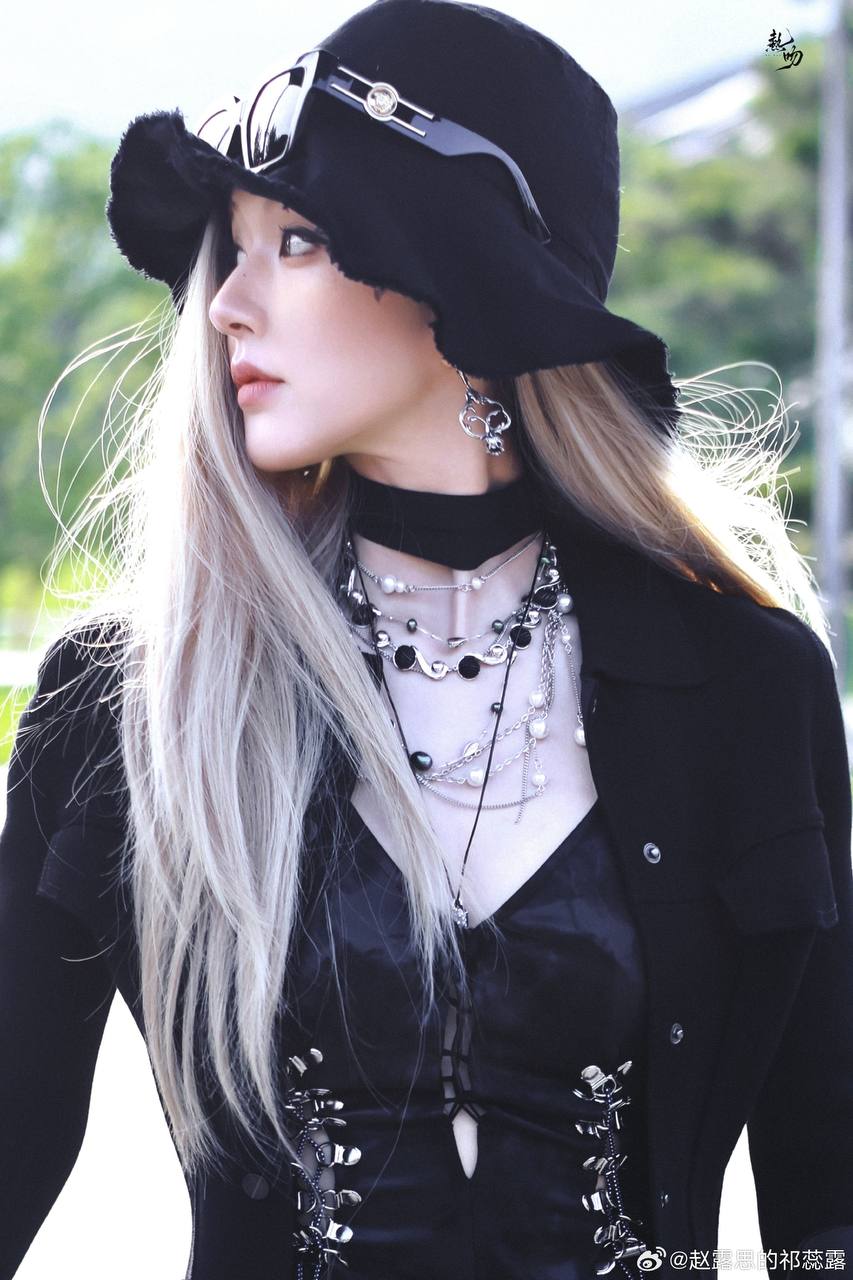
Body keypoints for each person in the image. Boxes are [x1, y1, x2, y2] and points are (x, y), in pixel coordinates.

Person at [2, 2, 852, 1277]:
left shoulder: (745, 678)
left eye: (295, 240)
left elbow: (824, 1198)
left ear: (462, 277)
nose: (225, 304)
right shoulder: (132, 698)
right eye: (231, 249)